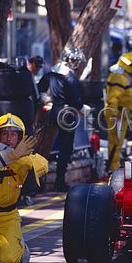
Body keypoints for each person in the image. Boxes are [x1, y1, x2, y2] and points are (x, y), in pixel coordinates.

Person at [0, 114, 48, 263]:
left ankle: (20, 246)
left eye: (13, 134)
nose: (8, 138)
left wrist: (0, 149)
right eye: (4, 134)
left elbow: (41, 165)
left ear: (19, 138)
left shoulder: (26, 158)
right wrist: (9, 153)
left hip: (7, 214)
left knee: (9, 261)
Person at [38, 47, 85, 193]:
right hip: (67, 114)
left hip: (54, 112)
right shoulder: (70, 77)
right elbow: (76, 102)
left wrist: (46, 99)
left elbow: (40, 87)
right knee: (66, 148)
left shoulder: (52, 72)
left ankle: (38, 181)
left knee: (45, 146)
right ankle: (59, 182)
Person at [104, 52, 132, 171]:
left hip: (122, 114)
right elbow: (113, 98)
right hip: (117, 114)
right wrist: (114, 115)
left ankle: (114, 165)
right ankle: (112, 167)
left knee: (118, 141)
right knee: (115, 141)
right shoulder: (118, 77)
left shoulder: (121, 76)